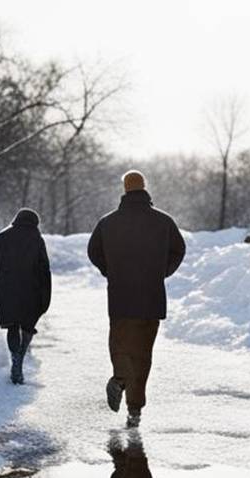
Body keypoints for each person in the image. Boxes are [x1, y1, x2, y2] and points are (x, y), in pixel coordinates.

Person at [87, 170, 186, 427]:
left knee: (120, 344)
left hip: (120, 297)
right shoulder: (163, 221)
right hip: (151, 298)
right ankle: (135, 408)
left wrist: (111, 271)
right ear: (144, 188)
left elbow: (93, 251)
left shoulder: (108, 222)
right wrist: (161, 272)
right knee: (143, 353)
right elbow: (178, 250)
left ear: (125, 189)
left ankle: (120, 378)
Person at [0, 208, 52, 384]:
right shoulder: (36, 239)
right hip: (31, 288)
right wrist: (45, 292)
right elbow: (44, 267)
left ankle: (15, 357)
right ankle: (21, 356)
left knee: (12, 325)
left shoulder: (1, 237)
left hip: (6, 287)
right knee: (28, 324)